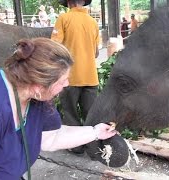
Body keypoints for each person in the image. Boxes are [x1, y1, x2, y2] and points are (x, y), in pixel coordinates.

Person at [0, 38, 116, 179]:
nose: (67, 84)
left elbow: (51, 137)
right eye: (62, 81)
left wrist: (95, 132)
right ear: (38, 85)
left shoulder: (37, 97)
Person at [51, 0, 99, 154]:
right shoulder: (93, 22)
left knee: (70, 113)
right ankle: (93, 148)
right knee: (90, 114)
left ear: (69, 2)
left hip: (69, 78)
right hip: (91, 77)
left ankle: (77, 147)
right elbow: (97, 52)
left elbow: (54, 48)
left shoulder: (63, 19)